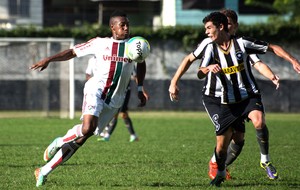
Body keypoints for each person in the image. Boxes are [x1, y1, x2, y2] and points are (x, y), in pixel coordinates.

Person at [169, 11, 300, 187]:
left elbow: (266, 54)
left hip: (246, 95)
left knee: (258, 122)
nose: (206, 32)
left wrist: (291, 61)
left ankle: (264, 160)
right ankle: (219, 168)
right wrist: (184, 78)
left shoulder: (242, 43)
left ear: (224, 26)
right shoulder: (208, 45)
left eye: (209, 28)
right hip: (219, 99)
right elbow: (198, 70)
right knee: (229, 140)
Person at [31, 10, 148, 187]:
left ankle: (43, 170)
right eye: (122, 25)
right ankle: (60, 141)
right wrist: (49, 59)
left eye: (127, 25)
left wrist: (140, 88)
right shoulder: (99, 43)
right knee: (87, 128)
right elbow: (72, 52)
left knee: (83, 137)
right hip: (96, 90)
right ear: (112, 27)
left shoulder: (134, 45)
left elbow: (142, 63)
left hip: (115, 99)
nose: (126, 28)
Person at [85, 56, 149, 142]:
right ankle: (133, 135)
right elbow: (88, 74)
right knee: (122, 113)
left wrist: (141, 90)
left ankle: (107, 135)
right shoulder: (94, 59)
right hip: (106, 90)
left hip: (123, 91)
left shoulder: (127, 58)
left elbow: (135, 76)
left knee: (117, 112)